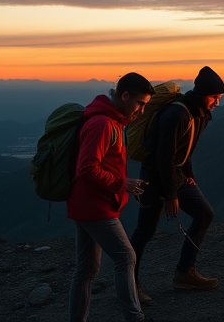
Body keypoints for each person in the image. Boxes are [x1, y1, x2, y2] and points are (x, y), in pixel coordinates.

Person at [67, 73, 154, 322]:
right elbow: (87, 168)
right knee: (126, 257)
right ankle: (135, 318)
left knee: (85, 270)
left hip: (86, 205)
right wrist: (121, 183)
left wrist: (123, 184)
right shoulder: (103, 124)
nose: (142, 110)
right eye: (140, 103)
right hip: (95, 207)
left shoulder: (112, 121)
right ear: (124, 95)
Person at [130, 66, 224, 294]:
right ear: (202, 94)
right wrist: (171, 196)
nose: (217, 103)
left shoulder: (200, 114)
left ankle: (185, 273)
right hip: (154, 175)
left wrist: (188, 174)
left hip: (175, 173)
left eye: (220, 98)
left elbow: (186, 148)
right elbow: (163, 156)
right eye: (214, 97)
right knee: (145, 231)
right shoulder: (177, 114)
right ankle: (129, 283)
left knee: (204, 214)